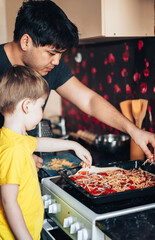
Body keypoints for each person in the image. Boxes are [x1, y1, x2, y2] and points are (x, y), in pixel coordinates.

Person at [0, 0, 155, 170]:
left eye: (60, 54)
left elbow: (89, 100)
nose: (56, 61)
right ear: (26, 42)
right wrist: (15, 156)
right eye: (52, 53)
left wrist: (134, 131)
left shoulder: (49, 66)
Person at [0, 65, 92, 240]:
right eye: (41, 106)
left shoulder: (13, 138)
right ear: (26, 106)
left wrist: (74, 145)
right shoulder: (13, 150)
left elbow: (39, 143)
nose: (42, 113)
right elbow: (8, 202)